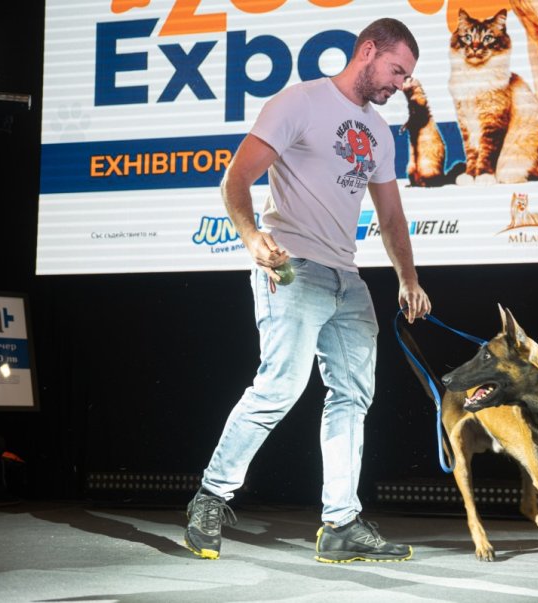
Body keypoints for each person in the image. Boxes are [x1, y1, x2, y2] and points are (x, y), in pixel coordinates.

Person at [184, 18, 431, 563]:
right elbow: (235, 178)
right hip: (293, 268)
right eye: (396, 70)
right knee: (279, 388)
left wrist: (408, 279)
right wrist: (250, 236)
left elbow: (391, 216)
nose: (400, 84)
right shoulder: (298, 102)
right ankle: (211, 495)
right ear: (367, 51)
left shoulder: (382, 133)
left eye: (407, 77)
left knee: (352, 398)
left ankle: (340, 524)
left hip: (348, 279)